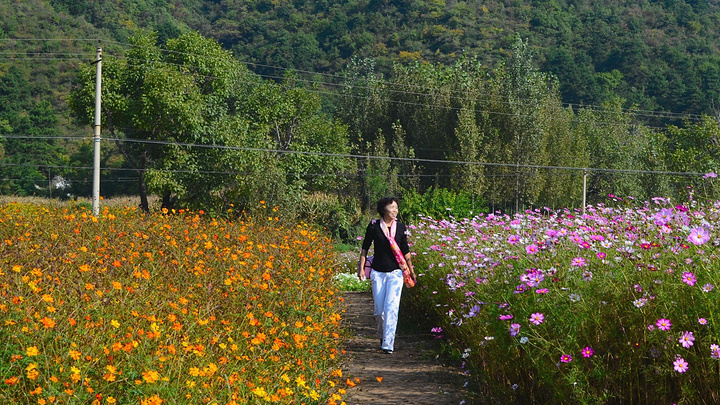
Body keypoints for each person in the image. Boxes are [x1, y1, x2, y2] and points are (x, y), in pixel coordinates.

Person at [357, 196, 416, 354]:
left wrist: (411, 270)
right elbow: (365, 248)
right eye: (392, 208)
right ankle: (382, 336)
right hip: (378, 273)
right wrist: (361, 268)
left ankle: (388, 344)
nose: (395, 210)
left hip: (396, 274)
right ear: (383, 209)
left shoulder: (401, 227)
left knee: (392, 309)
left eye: (396, 207)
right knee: (379, 311)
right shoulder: (374, 226)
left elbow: (405, 251)